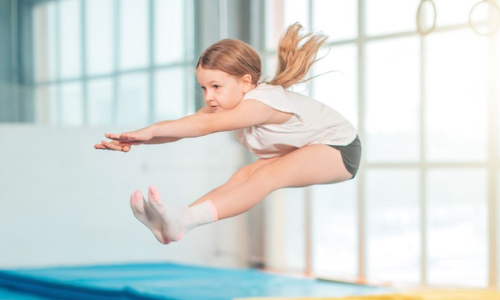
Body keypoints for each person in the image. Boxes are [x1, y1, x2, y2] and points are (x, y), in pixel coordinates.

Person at [94, 23, 362, 245]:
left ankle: (183, 220)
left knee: (267, 176)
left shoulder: (261, 103)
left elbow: (203, 126)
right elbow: (184, 127)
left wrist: (151, 130)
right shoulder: (227, 104)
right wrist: (138, 139)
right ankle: (174, 224)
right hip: (308, 147)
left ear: (245, 82)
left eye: (216, 86)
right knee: (243, 175)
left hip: (340, 148)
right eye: (203, 88)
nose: (209, 97)